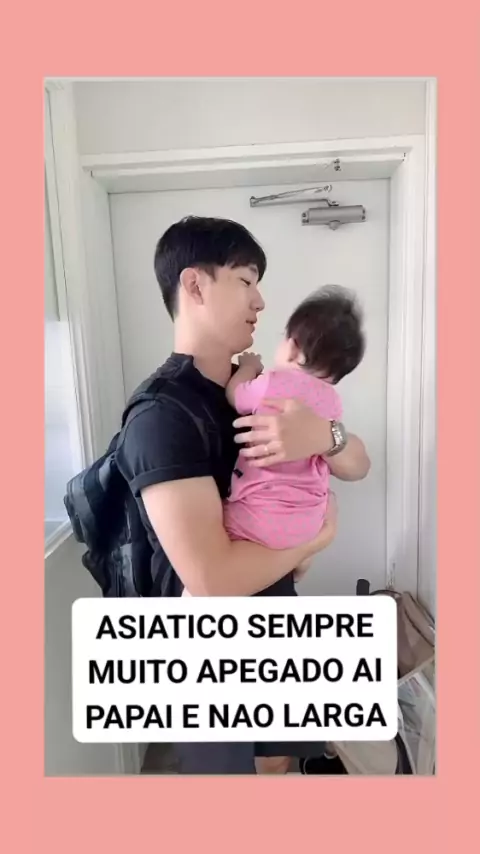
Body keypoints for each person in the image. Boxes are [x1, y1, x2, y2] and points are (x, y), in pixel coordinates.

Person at [116, 216, 371, 774]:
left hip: (273, 613)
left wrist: (325, 437)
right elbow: (213, 581)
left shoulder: (257, 389)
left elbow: (359, 463)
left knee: (277, 762)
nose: (261, 300)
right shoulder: (162, 415)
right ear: (194, 284)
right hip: (209, 653)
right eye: (245, 279)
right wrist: (315, 539)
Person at [224, 285, 365, 561]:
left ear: (292, 348)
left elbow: (235, 395)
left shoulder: (272, 383)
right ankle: (300, 562)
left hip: (258, 515)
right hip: (309, 522)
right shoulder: (332, 402)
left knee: (219, 517)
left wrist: (248, 368)